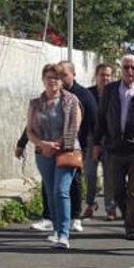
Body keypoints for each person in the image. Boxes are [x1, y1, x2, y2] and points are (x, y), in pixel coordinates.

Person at [24, 63, 83, 249]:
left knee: (61, 191)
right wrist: (43, 144)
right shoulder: (35, 104)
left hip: (67, 151)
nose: (52, 81)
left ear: (61, 81)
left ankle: (64, 235)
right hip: (43, 153)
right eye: (49, 77)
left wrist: (56, 144)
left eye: (56, 78)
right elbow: (30, 131)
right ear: (43, 80)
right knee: (50, 193)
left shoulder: (71, 100)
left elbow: (75, 127)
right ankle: (57, 230)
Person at [93, 54, 134, 240]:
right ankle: (128, 215)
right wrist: (97, 143)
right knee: (117, 191)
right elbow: (101, 117)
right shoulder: (110, 90)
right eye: (126, 68)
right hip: (114, 148)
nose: (130, 71)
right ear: (121, 70)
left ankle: (132, 228)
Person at [57, 60, 97, 233]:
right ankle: (50, 217)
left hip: (77, 146)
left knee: (74, 181)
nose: (61, 79)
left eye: (64, 75)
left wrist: (96, 144)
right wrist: (22, 142)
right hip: (54, 146)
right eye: (58, 75)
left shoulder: (84, 94)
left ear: (73, 74)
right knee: (52, 184)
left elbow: (95, 121)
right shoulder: (52, 95)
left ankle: (75, 216)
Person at [83, 63, 115, 219]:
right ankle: (90, 204)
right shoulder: (88, 94)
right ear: (96, 76)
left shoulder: (115, 93)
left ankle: (110, 207)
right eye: (102, 75)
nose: (105, 78)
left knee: (110, 175)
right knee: (89, 173)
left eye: (108, 75)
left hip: (110, 140)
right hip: (91, 139)